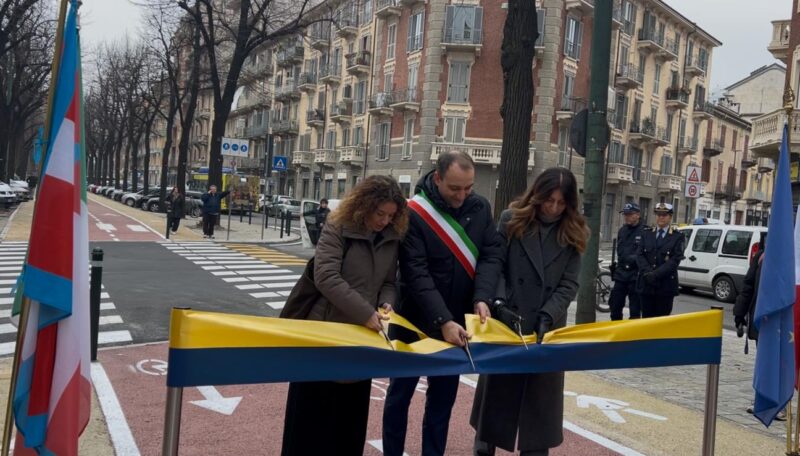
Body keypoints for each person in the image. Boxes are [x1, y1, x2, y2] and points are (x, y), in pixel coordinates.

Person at [382, 151, 504, 456]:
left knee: (442, 400)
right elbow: (416, 273)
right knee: (400, 395)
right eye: (455, 188)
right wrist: (443, 320)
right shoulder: (414, 213)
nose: (462, 195)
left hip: (458, 322)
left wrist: (482, 298)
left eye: (468, 188)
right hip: (414, 319)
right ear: (438, 179)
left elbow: (491, 254)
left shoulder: (480, 208)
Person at [281, 175, 409, 455]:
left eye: (391, 215)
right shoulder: (338, 226)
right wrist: (365, 312)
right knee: (309, 430)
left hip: (360, 343)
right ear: (364, 206)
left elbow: (389, 281)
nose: (384, 221)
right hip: (323, 338)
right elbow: (325, 276)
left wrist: (386, 305)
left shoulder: (391, 238)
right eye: (379, 213)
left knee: (348, 430)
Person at [470, 167, 588, 456]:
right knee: (496, 401)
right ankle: (484, 449)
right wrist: (498, 302)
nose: (554, 208)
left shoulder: (574, 231)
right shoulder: (512, 220)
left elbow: (569, 283)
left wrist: (548, 314)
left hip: (546, 329)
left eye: (561, 203)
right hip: (508, 322)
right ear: (537, 195)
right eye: (549, 200)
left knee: (539, 409)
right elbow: (496, 264)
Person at [636, 203, 685, 318]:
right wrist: (648, 272)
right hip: (647, 284)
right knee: (646, 320)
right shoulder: (646, 233)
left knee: (662, 321)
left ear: (670, 217)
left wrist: (656, 274)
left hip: (665, 286)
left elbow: (675, 260)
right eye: (658, 214)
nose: (661, 217)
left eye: (664, 215)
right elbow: (639, 255)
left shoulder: (677, 236)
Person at [609, 203, 645, 320]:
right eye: (625, 214)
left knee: (635, 311)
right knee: (615, 305)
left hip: (635, 276)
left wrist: (633, 259)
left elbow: (646, 255)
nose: (626, 217)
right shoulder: (622, 231)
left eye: (629, 214)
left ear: (638, 215)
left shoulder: (645, 231)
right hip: (621, 275)